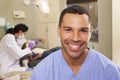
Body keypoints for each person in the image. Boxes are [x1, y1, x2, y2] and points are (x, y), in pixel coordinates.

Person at [30, 5, 120, 80]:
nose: (76, 38)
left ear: (90, 32)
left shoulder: (109, 71)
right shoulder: (42, 72)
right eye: (68, 30)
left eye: (83, 30)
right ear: (58, 30)